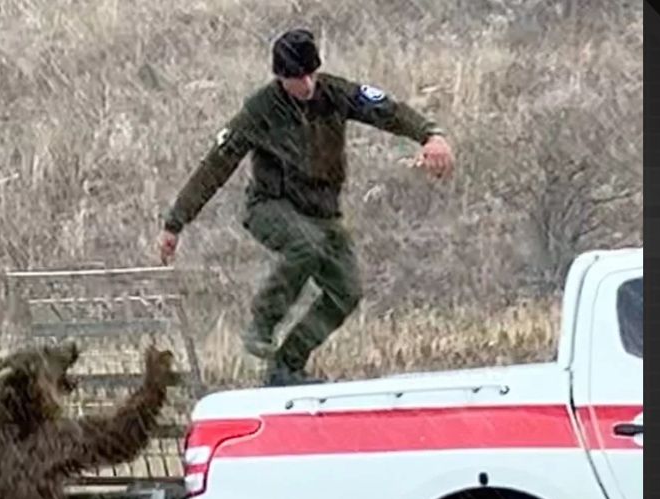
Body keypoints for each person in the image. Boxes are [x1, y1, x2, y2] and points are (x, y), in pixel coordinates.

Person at [157, 28, 455, 386]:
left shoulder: (333, 92)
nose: (308, 84)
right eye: (299, 78)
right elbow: (215, 166)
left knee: (346, 290)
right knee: (305, 247)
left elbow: (385, 110)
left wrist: (429, 134)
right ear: (281, 77)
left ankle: (286, 366)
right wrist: (175, 222)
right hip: (270, 207)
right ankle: (263, 324)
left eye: (312, 74)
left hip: (321, 213)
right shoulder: (260, 110)